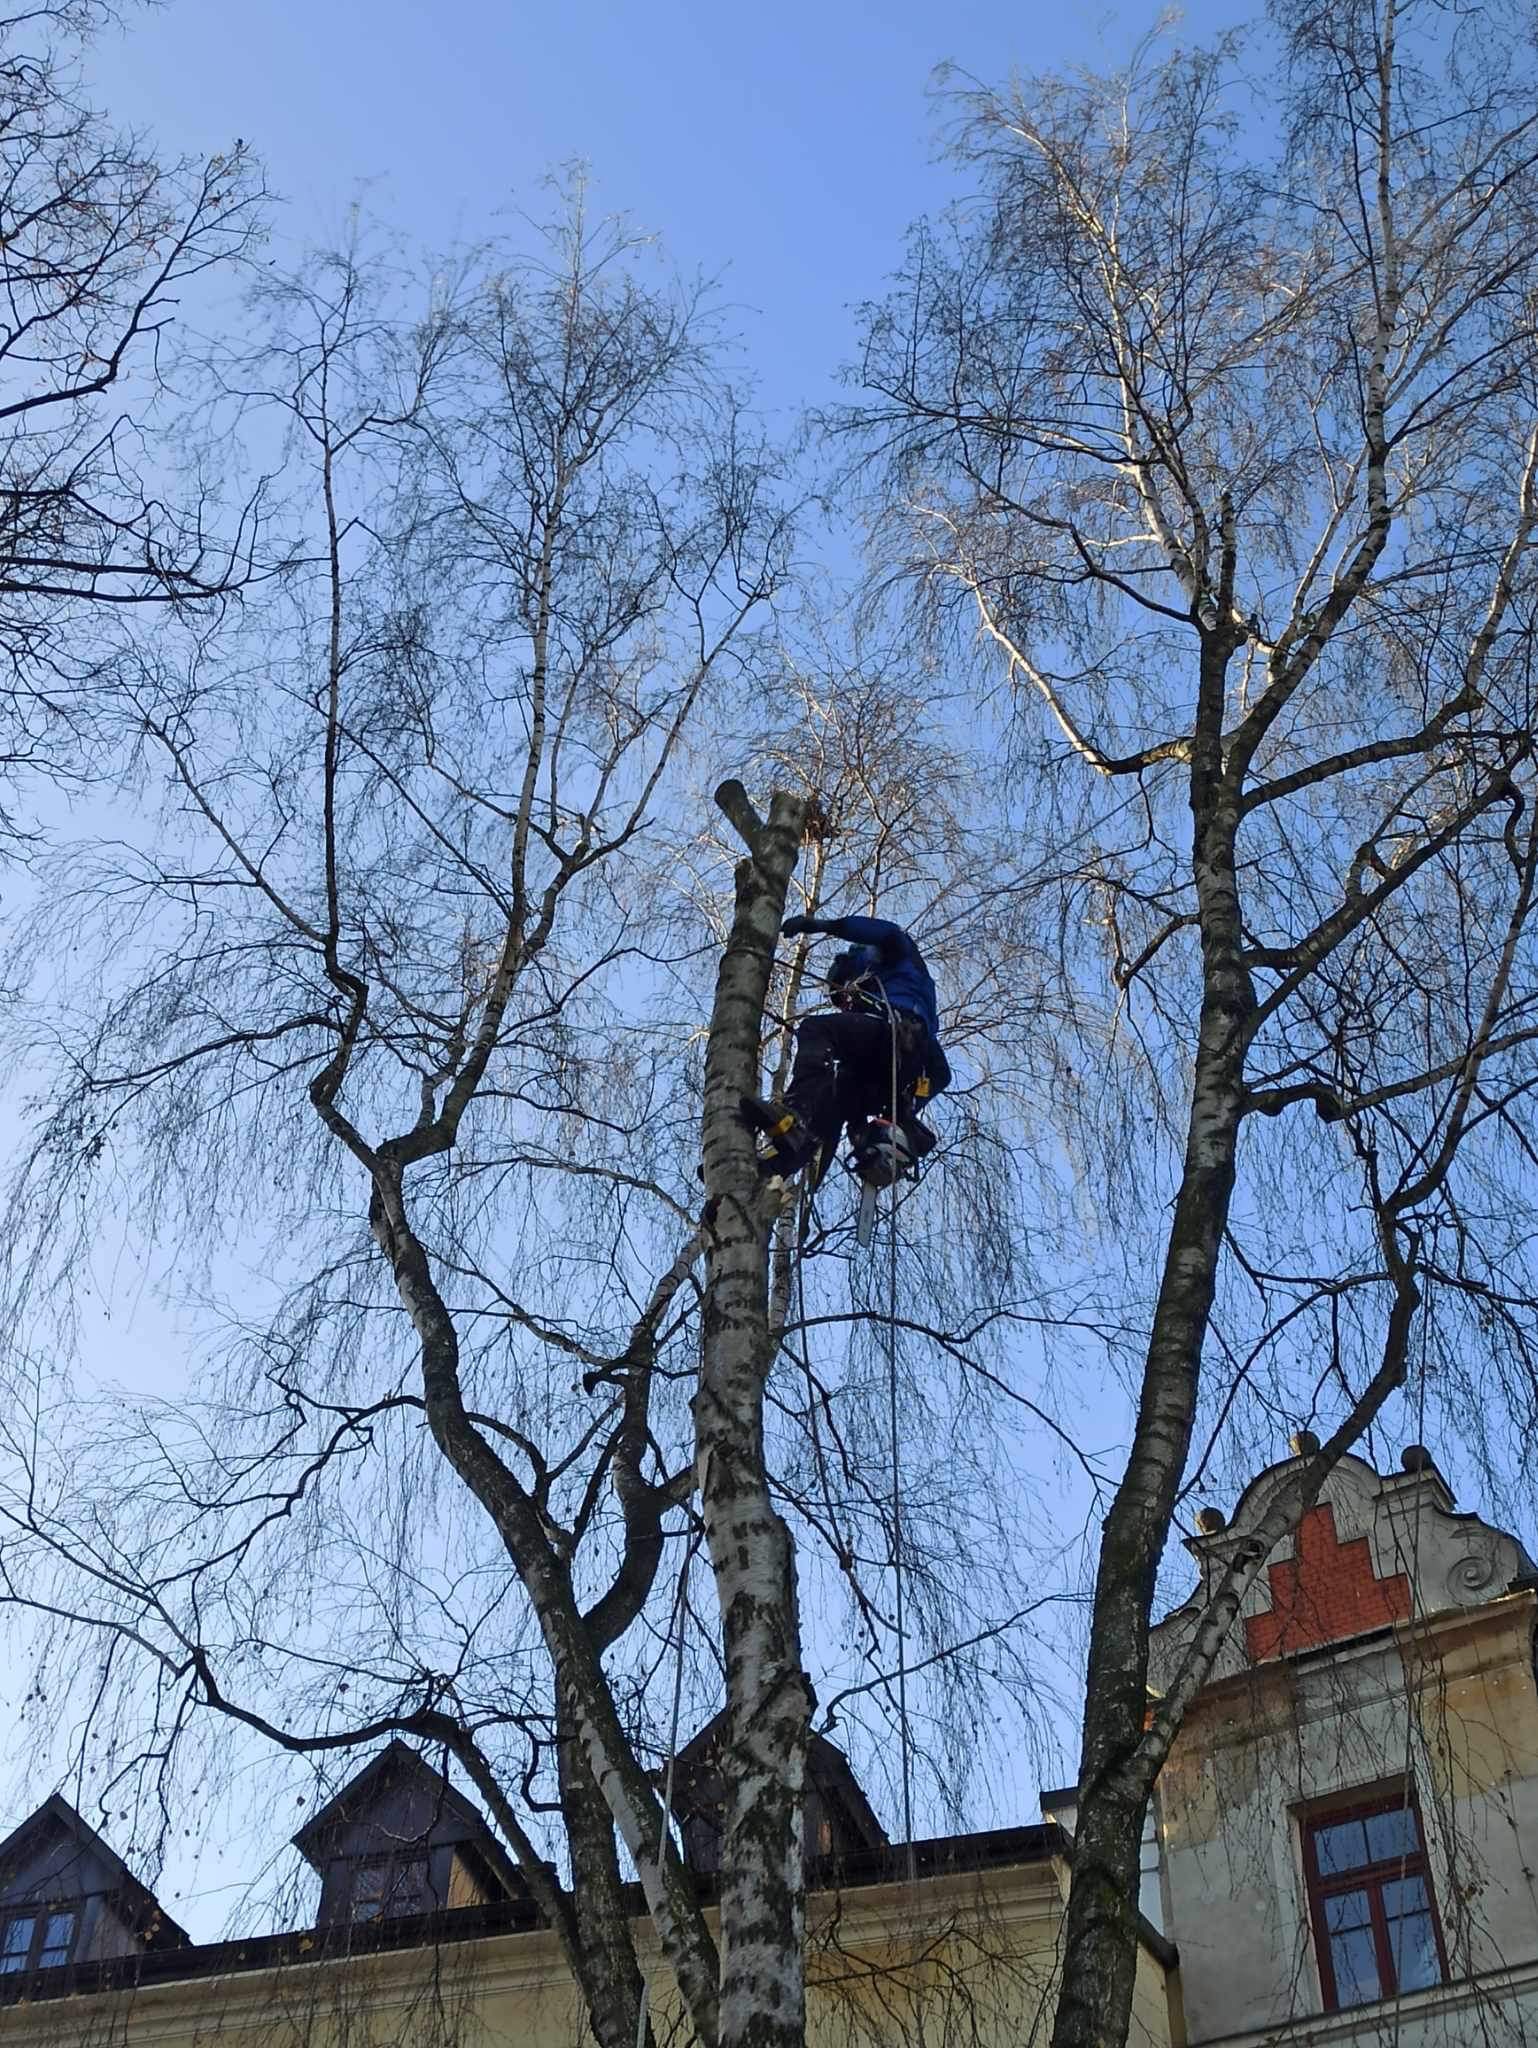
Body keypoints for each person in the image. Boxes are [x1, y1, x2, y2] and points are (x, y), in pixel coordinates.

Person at [742, 913, 951, 1182]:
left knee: (817, 1029)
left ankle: (796, 1113)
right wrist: (896, 1113)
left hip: (894, 1036)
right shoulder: (898, 1000)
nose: (845, 1002)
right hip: (886, 1075)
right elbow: (941, 1074)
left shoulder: (897, 956)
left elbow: (879, 932)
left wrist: (821, 926)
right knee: (836, 1093)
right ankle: (777, 1165)